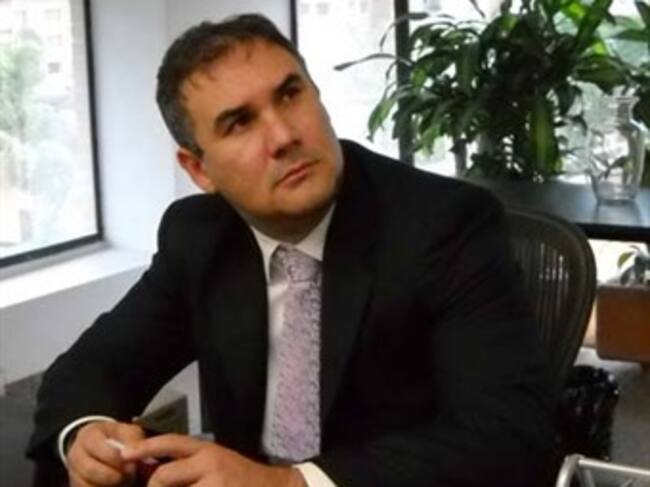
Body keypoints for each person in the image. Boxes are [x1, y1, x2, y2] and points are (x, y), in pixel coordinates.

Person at [27, 13, 556, 487]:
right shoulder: (199, 235)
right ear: (199, 169)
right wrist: (86, 436)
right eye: (239, 122)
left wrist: (288, 484)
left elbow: (505, 437)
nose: (282, 135)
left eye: (289, 95)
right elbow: (89, 369)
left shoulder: (444, 224)